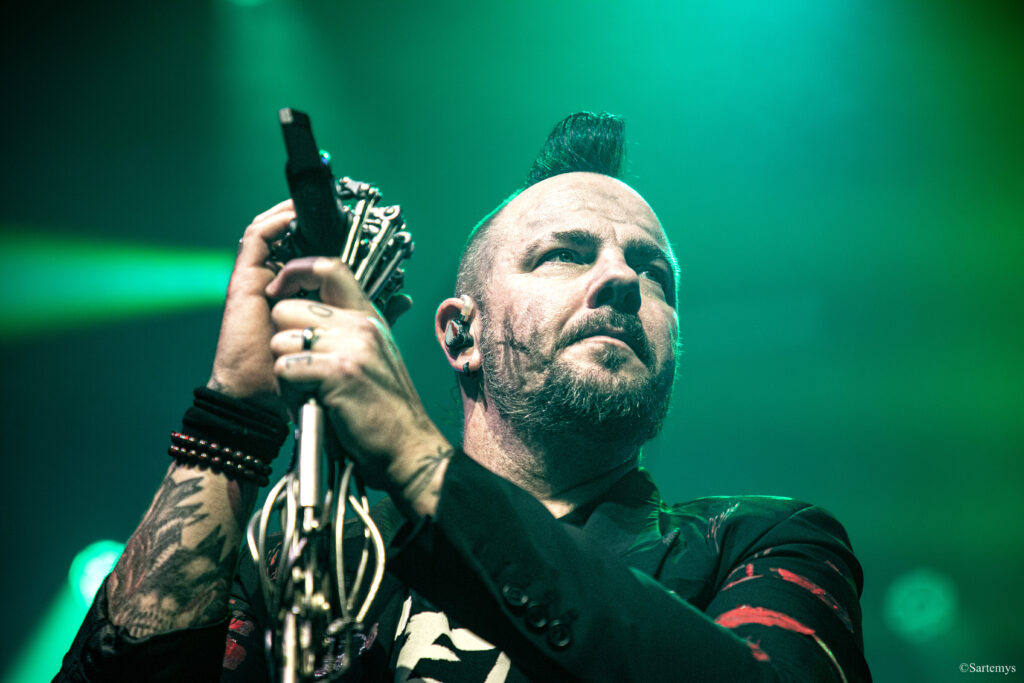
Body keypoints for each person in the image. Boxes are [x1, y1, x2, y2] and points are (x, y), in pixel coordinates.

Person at [57, 112, 871, 682]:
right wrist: (235, 413)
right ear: (458, 335)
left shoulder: (760, 541)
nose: (622, 280)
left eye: (652, 271)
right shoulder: (313, 548)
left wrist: (419, 458)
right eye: (566, 253)